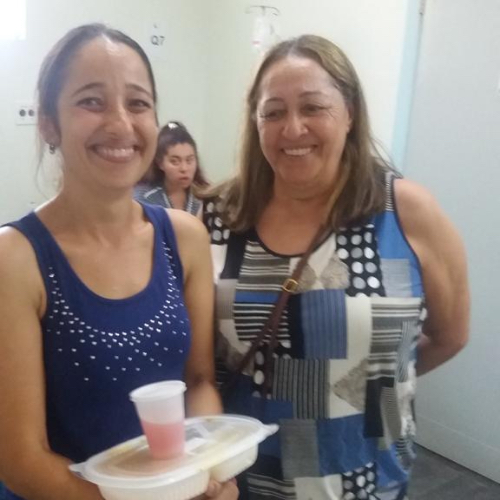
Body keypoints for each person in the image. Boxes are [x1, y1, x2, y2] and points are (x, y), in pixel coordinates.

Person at [203, 34, 469, 500]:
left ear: (350, 113)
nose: (293, 129)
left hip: (367, 478)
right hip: (244, 482)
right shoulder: (218, 218)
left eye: (313, 107)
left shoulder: (406, 213)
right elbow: (197, 363)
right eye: (273, 112)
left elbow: (450, 335)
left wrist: (369, 381)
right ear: (255, 121)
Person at [0, 24, 237, 500]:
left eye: (138, 102)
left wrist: (209, 472)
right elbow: (22, 461)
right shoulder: (16, 259)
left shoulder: (184, 239)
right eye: (91, 101)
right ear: (48, 123)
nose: (121, 124)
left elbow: (199, 381)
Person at [135, 121, 209, 215]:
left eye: (189, 160)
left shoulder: (205, 197)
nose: (184, 168)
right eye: (175, 161)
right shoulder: (144, 198)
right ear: (160, 163)